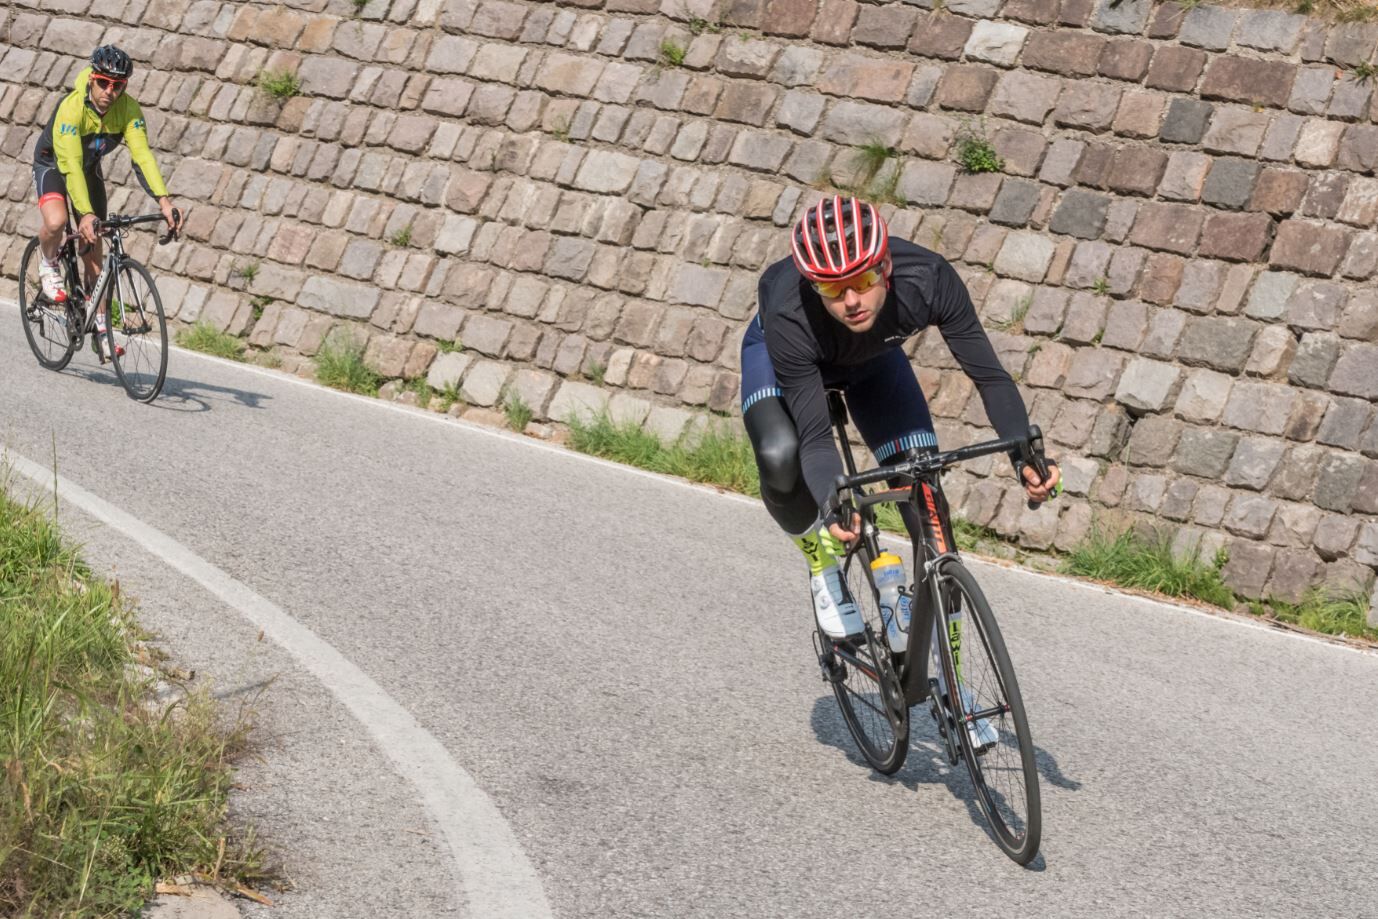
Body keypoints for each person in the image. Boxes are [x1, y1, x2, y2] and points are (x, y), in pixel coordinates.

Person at [741, 195, 1060, 642]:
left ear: (885, 265)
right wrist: (834, 505)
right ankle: (822, 565)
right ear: (813, 285)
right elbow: (816, 438)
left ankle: (947, 665)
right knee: (780, 456)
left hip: (873, 361)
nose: (851, 301)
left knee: (926, 498)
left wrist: (1023, 454)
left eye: (863, 279)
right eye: (832, 289)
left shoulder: (928, 278)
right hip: (786, 360)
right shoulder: (788, 311)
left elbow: (989, 377)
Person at [31, 45, 181, 348]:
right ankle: (48, 263)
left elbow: (142, 157)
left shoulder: (128, 110)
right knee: (58, 220)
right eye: (103, 82)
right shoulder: (72, 108)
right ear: (92, 79)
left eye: (118, 85)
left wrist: (164, 202)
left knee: (95, 253)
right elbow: (70, 165)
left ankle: (101, 329)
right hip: (54, 164)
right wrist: (85, 213)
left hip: (88, 170)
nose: (110, 91)